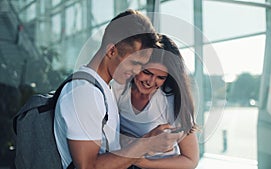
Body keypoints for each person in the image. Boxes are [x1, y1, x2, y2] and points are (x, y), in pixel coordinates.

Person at [54, 9, 183, 169]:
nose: (137, 71)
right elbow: (87, 167)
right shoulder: (85, 93)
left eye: (142, 65)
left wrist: (146, 140)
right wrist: (146, 145)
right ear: (111, 51)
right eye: (134, 63)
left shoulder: (102, 89)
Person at [112, 34, 200, 169]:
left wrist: (142, 162)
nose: (150, 82)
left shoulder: (172, 101)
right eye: (146, 72)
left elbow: (190, 160)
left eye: (160, 77)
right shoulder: (118, 89)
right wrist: (140, 143)